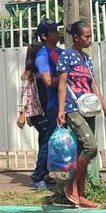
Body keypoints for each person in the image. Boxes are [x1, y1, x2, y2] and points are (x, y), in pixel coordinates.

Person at [57, 20, 106, 208]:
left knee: (84, 151)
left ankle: (79, 195)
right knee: (91, 146)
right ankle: (70, 184)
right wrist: (60, 111)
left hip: (89, 108)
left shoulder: (86, 59)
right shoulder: (67, 55)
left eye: (90, 36)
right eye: (86, 36)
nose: (90, 39)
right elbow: (62, 84)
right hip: (73, 108)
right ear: (76, 37)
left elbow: (93, 86)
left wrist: (105, 109)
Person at [33, 20, 64, 189]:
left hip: (69, 102)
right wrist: (67, 79)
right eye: (53, 31)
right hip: (53, 104)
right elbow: (47, 80)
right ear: (45, 36)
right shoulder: (42, 54)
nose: (57, 33)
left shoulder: (62, 52)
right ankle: (38, 175)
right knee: (49, 140)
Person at [17, 44, 47, 188]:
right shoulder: (28, 74)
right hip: (36, 113)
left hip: (45, 111)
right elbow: (25, 95)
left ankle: (44, 173)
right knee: (46, 142)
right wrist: (21, 115)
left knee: (44, 142)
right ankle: (38, 176)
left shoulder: (44, 70)